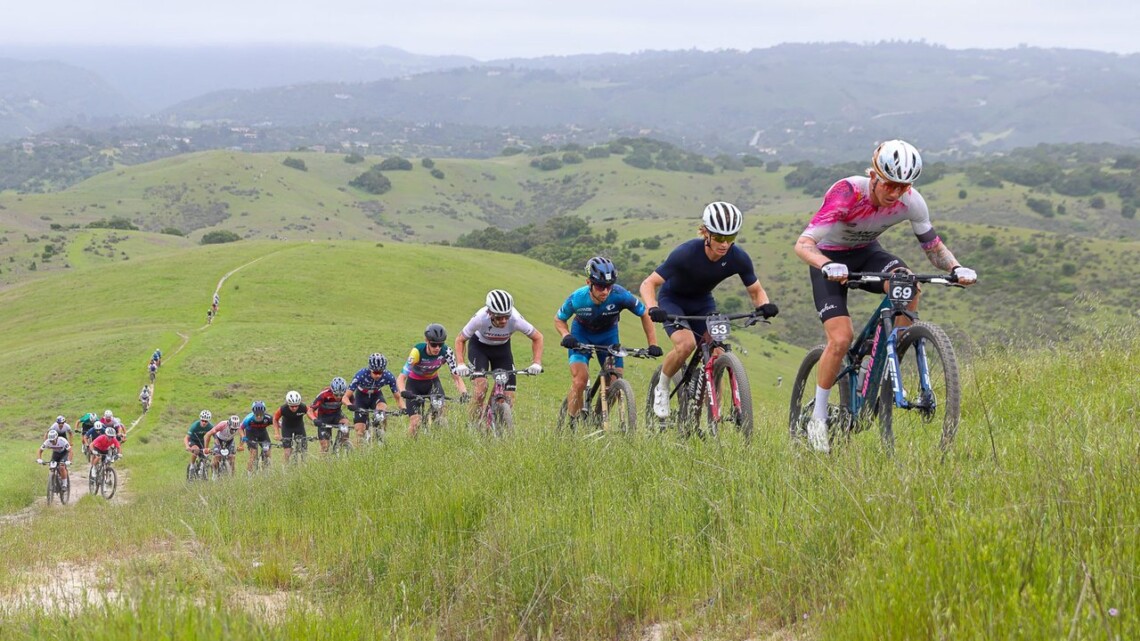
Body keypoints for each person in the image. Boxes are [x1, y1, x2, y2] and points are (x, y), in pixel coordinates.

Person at [793, 139, 978, 453]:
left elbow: (932, 247)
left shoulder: (912, 201)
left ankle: (890, 352)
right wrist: (827, 265)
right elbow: (803, 244)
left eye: (903, 187)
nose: (895, 193)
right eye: (890, 185)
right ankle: (819, 419)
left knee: (908, 286)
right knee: (840, 339)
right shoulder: (847, 193)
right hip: (829, 259)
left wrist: (957, 267)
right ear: (874, 175)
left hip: (867, 255)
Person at [639, 201, 779, 418]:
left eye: (731, 238)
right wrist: (653, 307)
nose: (725, 244)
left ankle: (713, 415)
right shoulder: (686, 253)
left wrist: (763, 306)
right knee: (686, 345)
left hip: (703, 302)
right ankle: (663, 386)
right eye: (720, 238)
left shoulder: (738, 257)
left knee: (717, 351)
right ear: (706, 233)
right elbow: (648, 284)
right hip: (672, 300)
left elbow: (756, 290)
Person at [555, 257, 663, 425]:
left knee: (615, 381)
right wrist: (566, 335)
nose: (605, 291)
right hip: (581, 334)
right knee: (580, 380)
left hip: (608, 335)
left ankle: (597, 420)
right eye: (599, 286)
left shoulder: (620, 295)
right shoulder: (577, 298)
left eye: (608, 286)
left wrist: (653, 344)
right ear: (588, 283)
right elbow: (559, 319)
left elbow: (644, 314)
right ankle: (570, 425)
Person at [453, 290, 544, 419]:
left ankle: (491, 421)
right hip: (479, 348)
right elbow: (460, 340)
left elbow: (538, 337)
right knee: (480, 390)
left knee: (509, 397)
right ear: (489, 313)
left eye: (507, 316)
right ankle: (471, 426)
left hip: (502, 350)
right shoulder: (480, 318)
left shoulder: (516, 319)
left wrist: (536, 362)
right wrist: (461, 364)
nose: (504, 320)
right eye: (499, 317)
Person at [397, 324, 468, 437]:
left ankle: (435, 435)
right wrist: (403, 391)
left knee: (441, 410)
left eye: (440, 344)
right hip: (414, 385)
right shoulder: (417, 352)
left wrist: (464, 393)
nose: (437, 348)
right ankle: (410, 445)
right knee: (416, 421)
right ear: (427, 341)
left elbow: (456, 377)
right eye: (434, 344)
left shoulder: (447, 352)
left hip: (432, 383)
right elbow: (401, 377)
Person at [344, 353, 402, 444]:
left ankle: (381, 433)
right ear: (370, 369)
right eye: (375, 372)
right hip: (361, 398)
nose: (378, 375)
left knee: (382, 408)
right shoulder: (360, 375)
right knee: (360, 431)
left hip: (376, 395)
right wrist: (350, 405)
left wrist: (403, 408)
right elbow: (345, 397)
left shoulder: (388, 376)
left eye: (381, 372)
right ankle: (359, 455)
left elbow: (397, 397)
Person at [307, 378, 350, 453]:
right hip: (323, 417)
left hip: (337, 415)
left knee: (345, 422)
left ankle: (339, 446)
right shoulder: (323, 395)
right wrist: (314, 419)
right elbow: (310, 411)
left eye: (341, 395)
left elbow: (354, 404)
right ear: (332, 390)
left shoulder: (347, 394)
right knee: (325, 447)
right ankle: (323, 462)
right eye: (336, 394)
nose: (339, 397)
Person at [274, 391, 309, 462]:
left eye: (296, 406)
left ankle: (304, 466)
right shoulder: (283, 409)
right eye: (292, 406)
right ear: (287, 404)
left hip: (299, 427)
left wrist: (317, 419)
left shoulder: (303, 407)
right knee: (287, 452)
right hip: (287, 428)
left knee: (304, 449)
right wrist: (277, 433)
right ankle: (284, 469)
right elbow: (275, 419)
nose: (294, 408)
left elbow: (312, 413)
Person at [241, 401, 275, 471]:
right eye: (257, 414)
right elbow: (240, 428)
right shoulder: (248, 418)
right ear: (254, 413)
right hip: (251, 434)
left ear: (264, 412)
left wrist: (278, 431)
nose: (259, 416)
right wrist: (243, 436)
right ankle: (249, 475)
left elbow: (278, 423)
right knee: (253, 454)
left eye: (261, 414)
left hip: (263, 434)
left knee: (267, 452)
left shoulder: (268, 417)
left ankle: (265, 470)